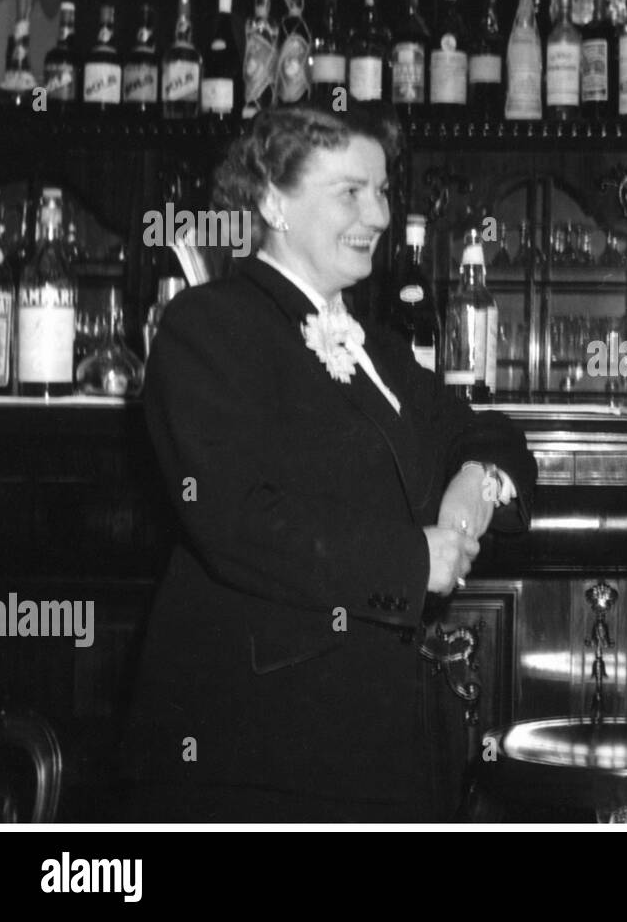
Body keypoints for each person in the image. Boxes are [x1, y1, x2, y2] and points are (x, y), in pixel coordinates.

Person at [122, 105, 536, 822]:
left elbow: (487, 434)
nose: (376, 213)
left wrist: (475, 483)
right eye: (350, 191)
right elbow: (234, 517)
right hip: (251, 744)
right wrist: (412, 559)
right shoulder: (207, 324)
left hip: (370, 735)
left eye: (381, 190)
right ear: (274, 201)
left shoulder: (376, 347)